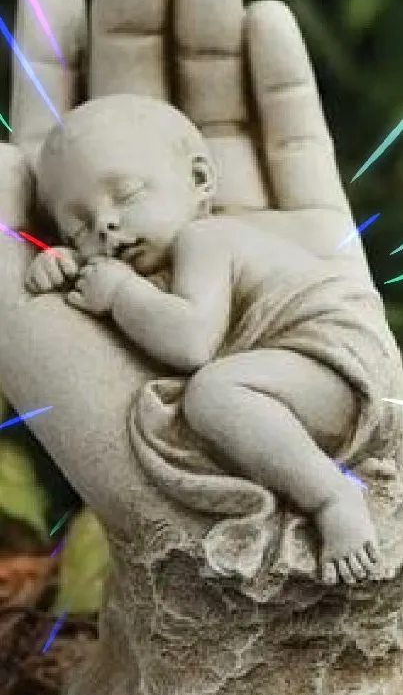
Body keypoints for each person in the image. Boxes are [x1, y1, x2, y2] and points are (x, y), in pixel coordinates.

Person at [24, 92, 401, 586]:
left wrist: (118, 293)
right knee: (214, 395)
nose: (105, 225)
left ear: (199, 180)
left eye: (127, 193)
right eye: (78, 226)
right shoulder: (160, 264)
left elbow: (189, 344)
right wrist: (65, 268)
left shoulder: (205, 239)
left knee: (213, 394)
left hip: (339, 362)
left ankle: (332, 496)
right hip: (310, 373)